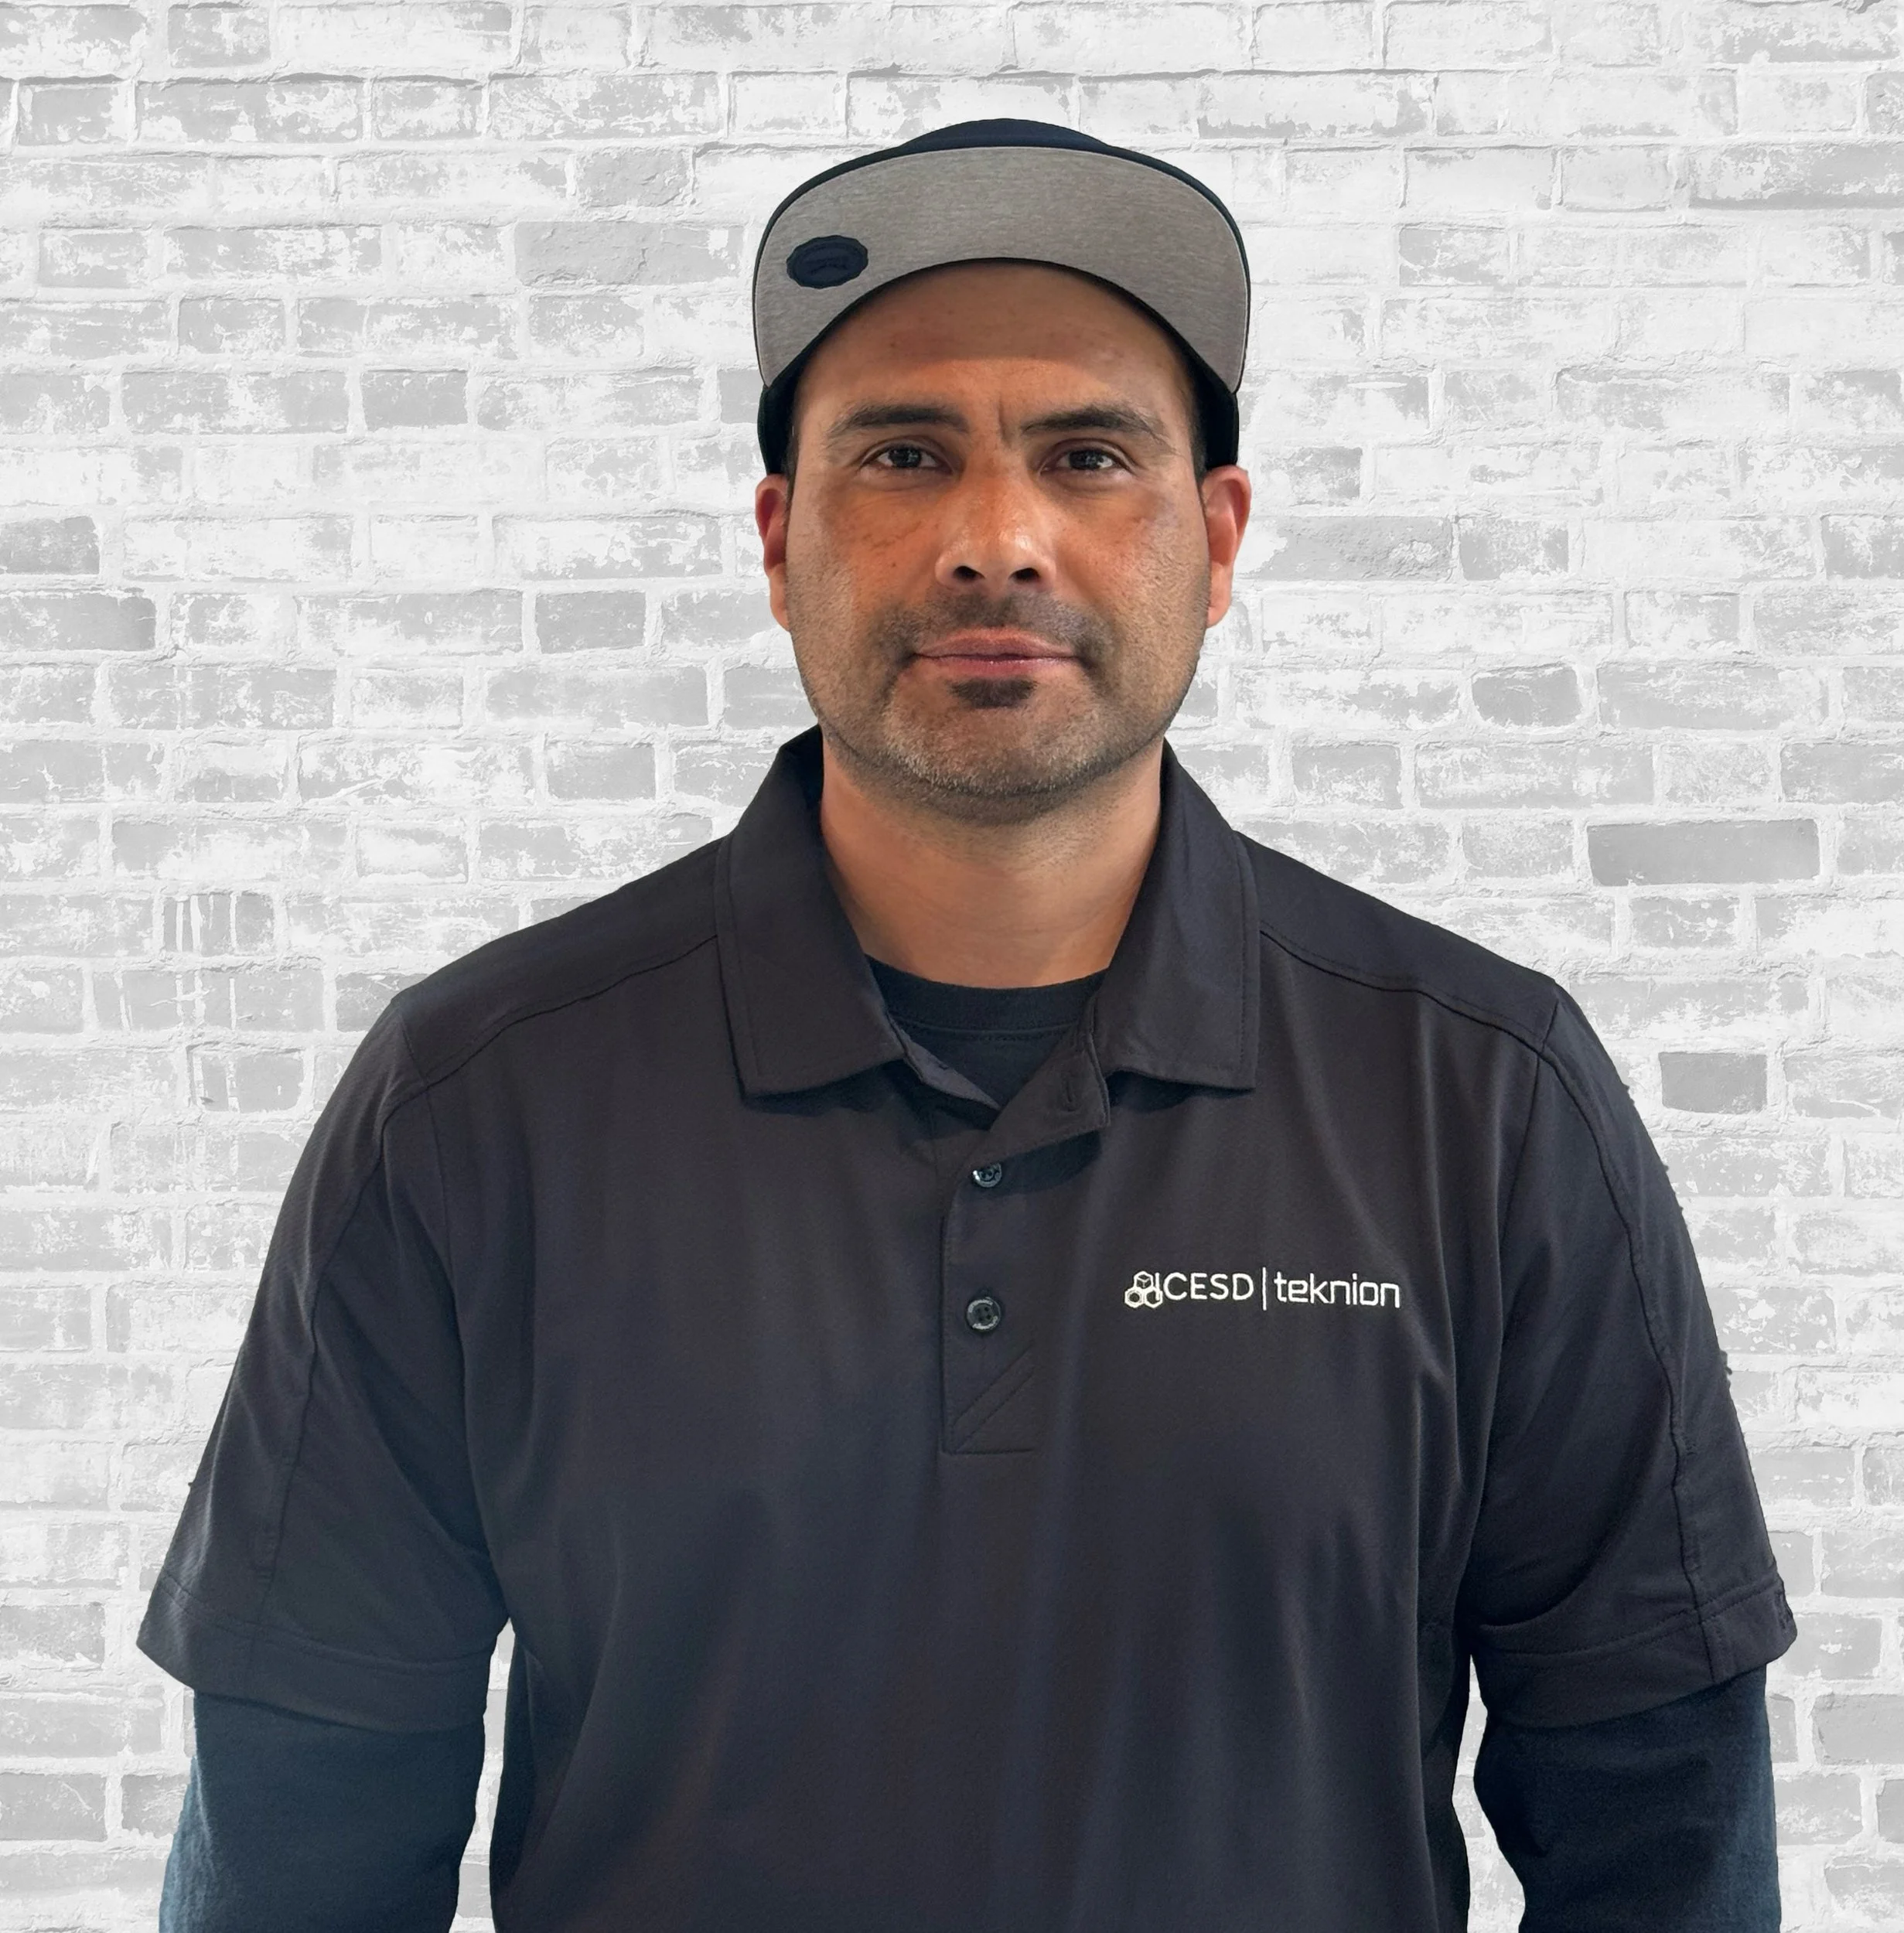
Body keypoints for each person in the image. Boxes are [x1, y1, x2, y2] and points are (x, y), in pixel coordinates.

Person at [142, 120, 1796, 1931]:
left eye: (1086, 456)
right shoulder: (476, 1101)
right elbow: (299, 1842)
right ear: (778, 540)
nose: (995, 541)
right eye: (902, 455)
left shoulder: (1481, 1096)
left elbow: (1658, 1826)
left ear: (1214, 539)